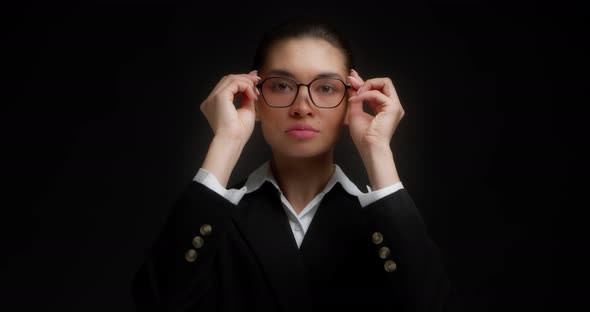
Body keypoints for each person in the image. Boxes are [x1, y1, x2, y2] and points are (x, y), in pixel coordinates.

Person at [132, 17, 453, 312]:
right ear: (254, 98)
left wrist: (377, 150)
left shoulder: (381, 223)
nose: (302, 107)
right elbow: (155, 303)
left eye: (326, 88)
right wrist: (226, 141)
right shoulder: (214, 216)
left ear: (350, 102)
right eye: (282, 85)